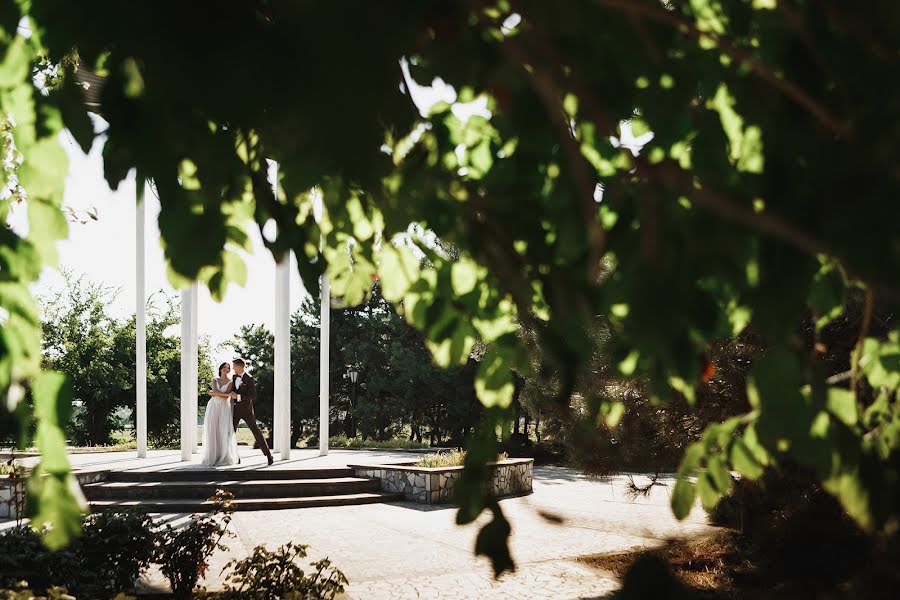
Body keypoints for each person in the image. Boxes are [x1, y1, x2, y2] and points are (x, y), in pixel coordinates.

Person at [229, 358, 274, 465]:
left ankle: (268, 455)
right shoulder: (234, 377)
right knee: (231, 434)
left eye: (234, 366)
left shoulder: (249, 378)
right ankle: (235, 456)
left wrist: (238, 396)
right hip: (235, 410)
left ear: (239, 366)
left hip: (246, 411)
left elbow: (253, 396)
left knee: (256, 432)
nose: (233, 368)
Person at [202, 362, 240, 467]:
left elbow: (223, 397)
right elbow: (215, 391)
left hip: (224, 408)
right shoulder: (215, 379)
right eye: (224, 367)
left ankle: (223, 456)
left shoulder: (231, 382)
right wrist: (219, 393)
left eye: (228, 368)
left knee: (223, 430)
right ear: (220, 369)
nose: (226, 369)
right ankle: (213, 456)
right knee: (212, 430)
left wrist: (216, 393)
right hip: (213, 407)